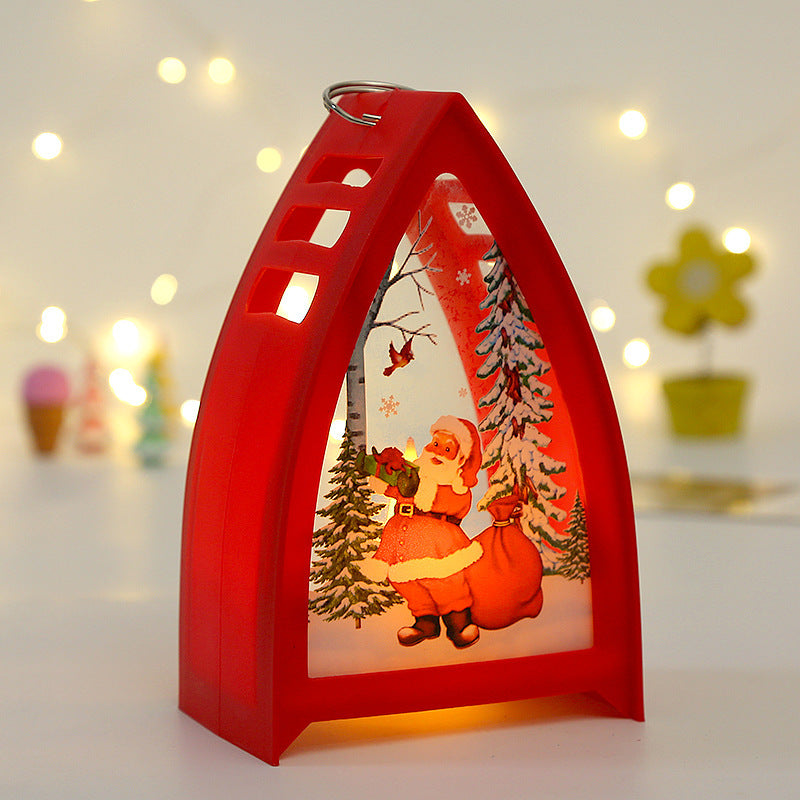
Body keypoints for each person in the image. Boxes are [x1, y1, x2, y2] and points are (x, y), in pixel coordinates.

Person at [359, 416, 484, 648]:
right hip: (404, 540)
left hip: (439, 545)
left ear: (460, 459)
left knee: (444, 582)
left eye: (447, 449)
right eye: (435, 444)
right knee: (409, 584)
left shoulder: (455, 486)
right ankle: (425, 622)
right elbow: (398, 490)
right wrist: (384, 486)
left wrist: (426, 491)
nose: (438, 452)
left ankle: (458, 622)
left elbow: (457, 505)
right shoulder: (414, 477)